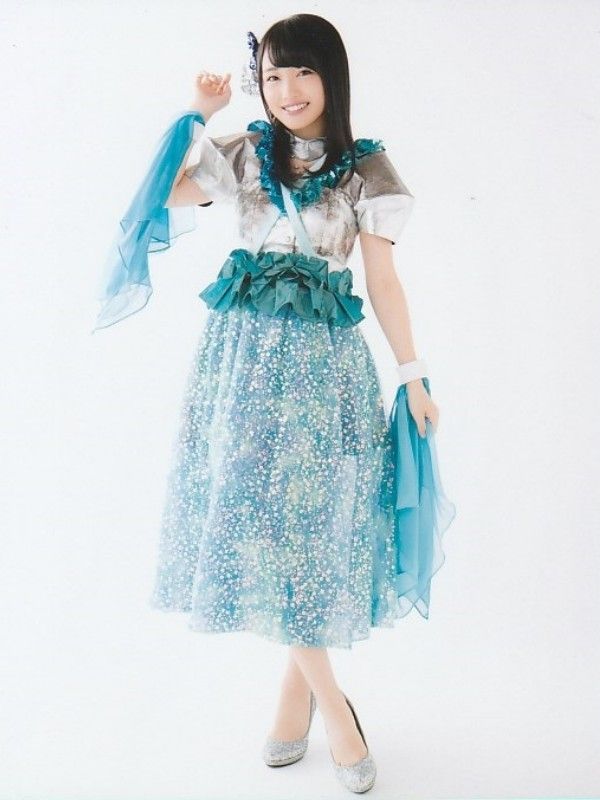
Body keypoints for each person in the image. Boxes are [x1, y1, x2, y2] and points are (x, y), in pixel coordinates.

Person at [94, 13, 456, 794]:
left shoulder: (367, 171)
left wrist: (413, 372)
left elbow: (383, 280)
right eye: (273, 76)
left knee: (308, 532)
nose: (287, 90)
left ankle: (301, 703)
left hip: (325, 370)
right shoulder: (246, 154)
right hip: (243, 363)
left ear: (332, 77)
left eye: (303, 73)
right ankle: (335, 710)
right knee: (262, 527)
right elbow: (163, 194)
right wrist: (199, 114)